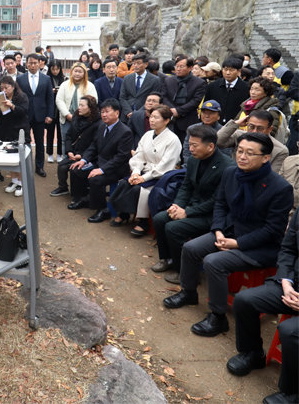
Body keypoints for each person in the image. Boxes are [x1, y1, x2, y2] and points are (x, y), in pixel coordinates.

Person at [163, 133, 293, 337]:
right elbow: (221, 204)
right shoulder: (232, 173)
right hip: (229, 231)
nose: (242, 157)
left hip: (259, 245)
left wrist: (237, 243)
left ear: (266, 158)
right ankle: (188, 292)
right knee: (190, 248)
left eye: (250, 153)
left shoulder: (280, 188)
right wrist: (218, 230)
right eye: (240, 151)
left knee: (214, 262)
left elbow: (273, 230)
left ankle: (218, 317)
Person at [227, 211, 298, 404]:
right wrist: (286, 282)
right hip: (291, 286)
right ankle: (253, 353)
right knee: (244, 300)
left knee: (290, 331)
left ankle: (293, 392)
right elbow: (288, 250)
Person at [152, 124, 234, 284]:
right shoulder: (193, 161)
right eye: (189, 144)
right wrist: (177, 206)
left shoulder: (227, 167)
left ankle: (185, 272)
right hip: (191, 206)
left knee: (173, 228)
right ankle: (167, 259)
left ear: (210, 146)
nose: (190, 149)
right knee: (160, 218)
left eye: (194, 145)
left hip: (211, 214)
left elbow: (217, 201)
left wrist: (187, 212)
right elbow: (186, 187)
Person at [108, 105, 182, 235]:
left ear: (166, 120)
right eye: (151, 117)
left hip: (160, 176)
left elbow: (166, 165)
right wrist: (136, 172)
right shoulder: (147, 135)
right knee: (125, 183)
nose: (152, 120)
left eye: (156, 117)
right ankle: (124, 213)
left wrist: (144, 178)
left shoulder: (173, 140)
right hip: (142, 171)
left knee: (140, 190)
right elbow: (139, 155)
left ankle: (143, 222)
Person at [67, 98, 134, 223]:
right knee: (76, 169)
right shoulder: (102, 126)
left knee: (95, 179)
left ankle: (103, 210)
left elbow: (121, 158)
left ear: (117, 113)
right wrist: (84, 159)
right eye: (102, 112)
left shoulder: (125, 132)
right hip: (99, 162)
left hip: (116, 168)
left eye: (107, 112)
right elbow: (93, 146)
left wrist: (102, 170)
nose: (104, 115)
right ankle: (85, 199)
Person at [50, 95, 101, 198]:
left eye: (82, 106)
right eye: (79, 105)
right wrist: (69, 151)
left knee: (76, 170)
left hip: (89, 157)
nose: (79, 108)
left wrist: (81, 156)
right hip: (74, 152)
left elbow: (95, 145)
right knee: (62, 166)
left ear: (90, 108)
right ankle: (63, 187)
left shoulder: (98, 123)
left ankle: (80, 194)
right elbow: (68, 136)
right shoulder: (76, 117)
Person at [16, 54, 54, 177]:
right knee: (24, 141)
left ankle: (39, 166)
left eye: (35, 63)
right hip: (24, 115)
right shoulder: (20, 79)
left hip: (40, 115)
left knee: (39, 142)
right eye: (30, 63)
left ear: (39, 64)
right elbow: (17, 98)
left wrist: (49, 115)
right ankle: (24, 165)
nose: (32, 65)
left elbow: (50, 98)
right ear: (26, 64)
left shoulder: (46, 79)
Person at [217, 110, 289, 173]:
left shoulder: (280, 150)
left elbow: (273, 176)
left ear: (270, 129)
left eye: (260, 128)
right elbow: (218, 141)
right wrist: (235, 124)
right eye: (251, 127)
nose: (254, 131)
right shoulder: (239, 135)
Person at [0, 76, 31, 197]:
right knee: (10, 155)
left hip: (20, 129)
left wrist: (12, 106)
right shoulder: (1, 97)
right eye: (2, 87)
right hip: (6, 130)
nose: (4, 90)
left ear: (13, 87)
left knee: (19, 157)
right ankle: (14, 180)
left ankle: (21, 182)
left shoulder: (22, 96)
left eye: (6, 87)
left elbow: (24, 111)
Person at [162, 55, 207, 144]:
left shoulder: (199, 83)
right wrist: (172, 110)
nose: (178, 69)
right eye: (177, 66)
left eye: (181, 66)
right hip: (170, 118)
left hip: (188, 119)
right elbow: (164, 96)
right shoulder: (168, 80)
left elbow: (196, 101)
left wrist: (178, 111)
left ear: (190, 67)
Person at [56, 63, 98, 144]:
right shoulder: (64, 85)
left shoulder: (90, 86)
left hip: (84, 119)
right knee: (65, 141)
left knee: (82, 141)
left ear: (84, 73)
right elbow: (59, 100)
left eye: (80, 72)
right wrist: (67, 114)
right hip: (67, 119)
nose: (77, 74)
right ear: (72, 72)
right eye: (75, 71)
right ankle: (66, 156)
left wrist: (83, 114)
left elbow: (94, 101)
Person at [203, 57, 250, 125]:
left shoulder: (246, 88)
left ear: (239, 71)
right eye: (225, 69)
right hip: (215, 124)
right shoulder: (213, 86)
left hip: (236, 124)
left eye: (231, 70)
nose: (228, 73)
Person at [181, 100, 230, 164]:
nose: (207, 116)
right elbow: (187, 151)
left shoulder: (224, 131)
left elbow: (225, 154)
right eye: (204, 112)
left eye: (211, 113)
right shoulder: (192, 129)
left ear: (218, 116)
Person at [119, 53, 163, 120]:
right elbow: (122, 97)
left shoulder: (154, 80)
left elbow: (154, 98)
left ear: (146, 64)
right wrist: (128, 111)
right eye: (134, 63)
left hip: (145, 115)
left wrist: (138, 113)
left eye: (138, 63)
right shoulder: (127, 78)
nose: (135, 66)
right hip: (127, 115)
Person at [46, 60, 66, 162]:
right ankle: (49, 153)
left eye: (57, 69)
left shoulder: (64, 79)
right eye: (53, 69)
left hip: (61, 110)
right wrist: (52, 91)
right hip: (50, 109)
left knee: (60, 134)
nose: (55, 71)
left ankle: (59, 153)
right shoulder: (46, 79)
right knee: (50, 133)